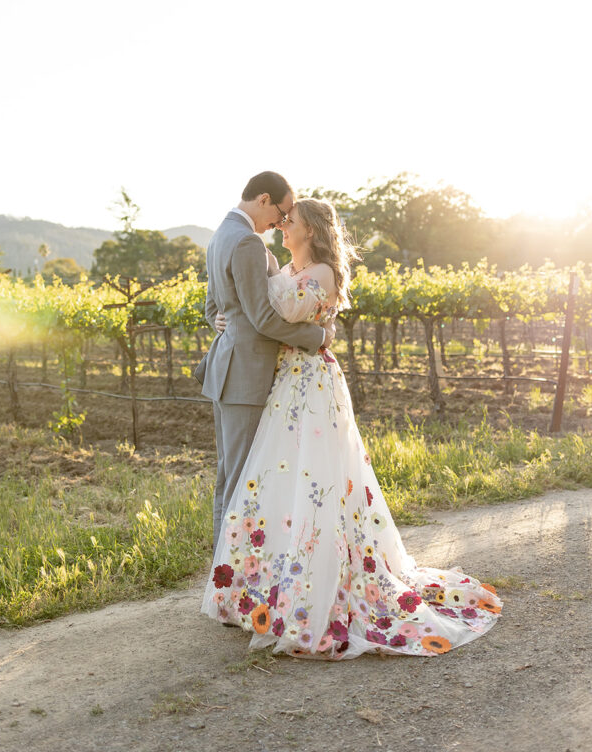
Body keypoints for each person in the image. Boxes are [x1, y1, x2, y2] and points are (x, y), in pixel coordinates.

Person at [201, 196, 503, 659]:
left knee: (315, 482)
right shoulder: (283, 266)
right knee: (276, 484)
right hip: (286, 383)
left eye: (291, 221)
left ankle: (316, 585)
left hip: (311, 385)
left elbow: (275, 316)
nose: (283, 226)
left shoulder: (321, 272)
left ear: (312, 231)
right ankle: (263, 581)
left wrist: (260, 311)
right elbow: (257, 308)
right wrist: (226, 316)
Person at [195, 172, 336, 555]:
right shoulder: (246, 242)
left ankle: (223, 578)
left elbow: (214, 307)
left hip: (229, 369)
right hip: (246, 374)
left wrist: (223, 322)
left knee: (229, 477)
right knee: (242, 479)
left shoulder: (221, 235)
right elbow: (260, 318)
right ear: (263, 199)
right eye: (281, 211)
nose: (280, 221)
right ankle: (229, 582)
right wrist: (317, 337)